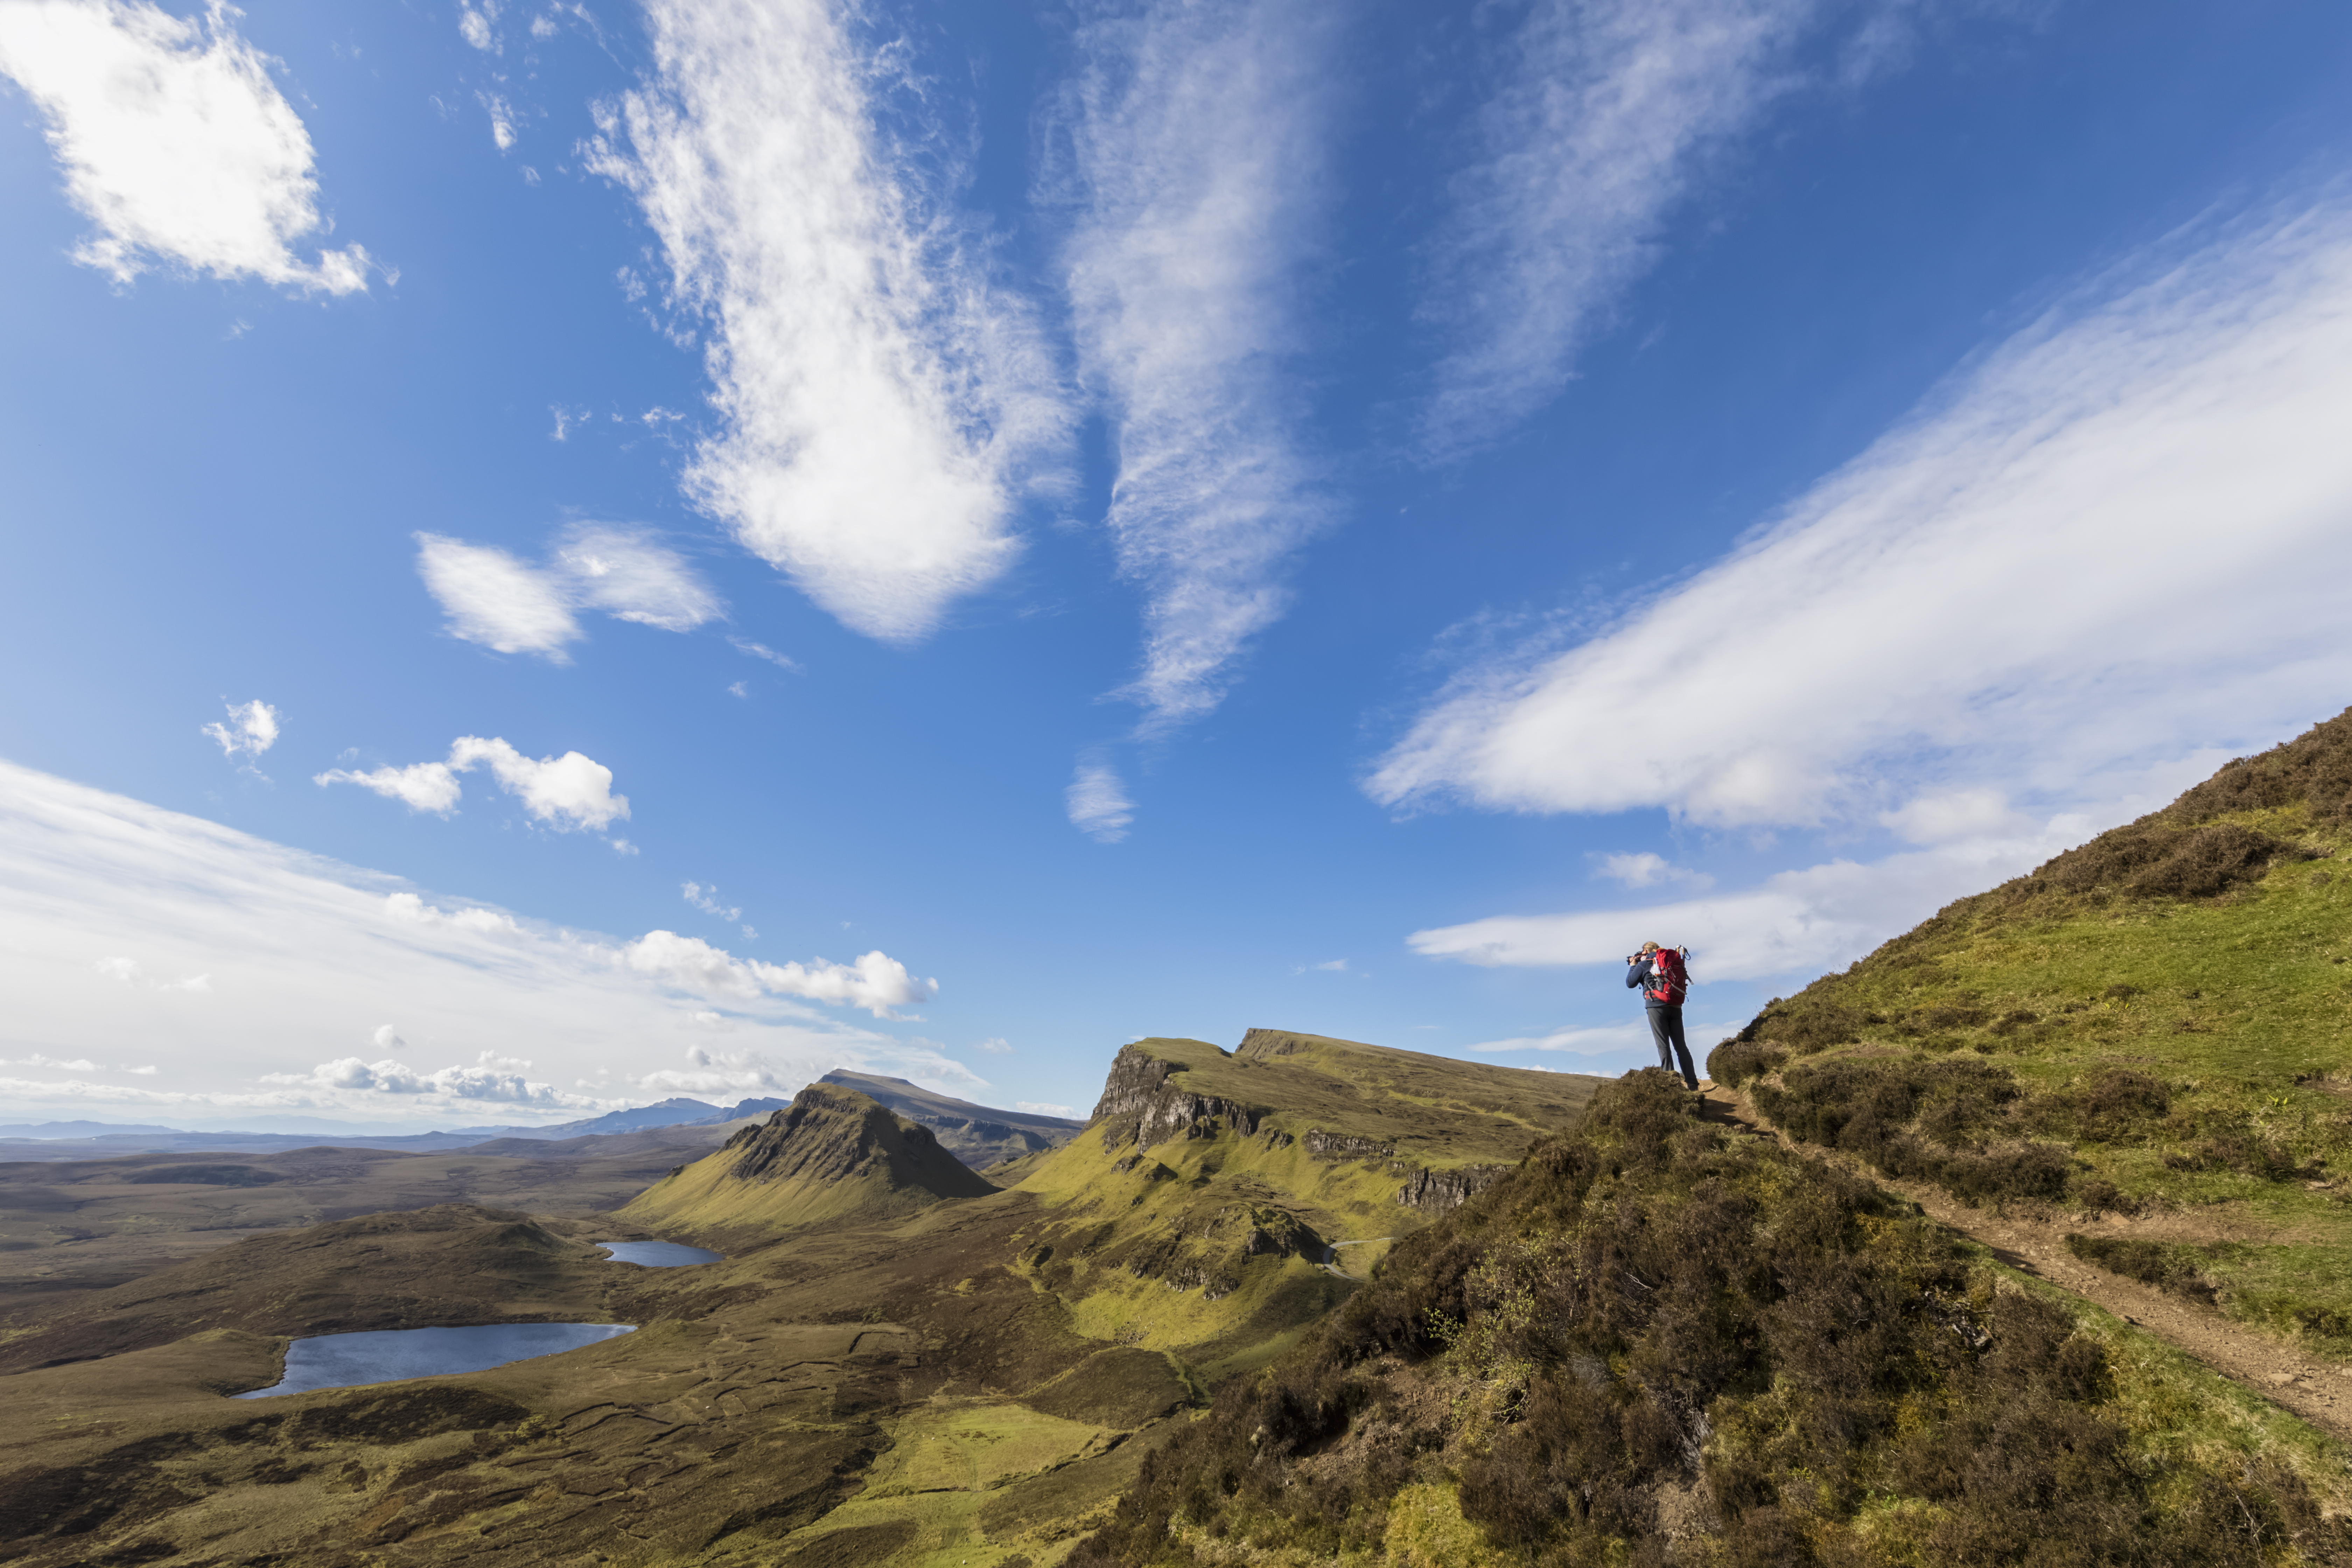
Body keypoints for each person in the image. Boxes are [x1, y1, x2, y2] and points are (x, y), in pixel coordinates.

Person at [1626, 941, 1698, 1091]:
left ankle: (1671, 1084)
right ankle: (1692, 1084)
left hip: (1656, 1007)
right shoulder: (1669, 961)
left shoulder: (1644, 964)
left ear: (1646, 950)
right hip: (1676, 1005)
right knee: (1681, 1047)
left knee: (1663, 1046)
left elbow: (1630, 983)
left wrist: (1633, 965)